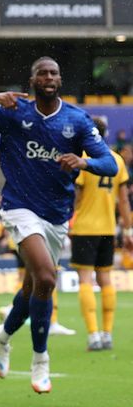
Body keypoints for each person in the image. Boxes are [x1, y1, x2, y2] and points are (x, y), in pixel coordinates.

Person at [0, 56, 118, 393]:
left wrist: (83, 162)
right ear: (32, 80)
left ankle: (2, 336)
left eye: (54, 73)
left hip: (56, 214)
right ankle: (41, 359)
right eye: (42, 73)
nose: (48, 77)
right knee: (46, 277)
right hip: (19, 207)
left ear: (60, 80)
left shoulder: (77, 120)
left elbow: (109, 164)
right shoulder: (14, 112)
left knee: (33, 289)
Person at [70, 118, 132, 350]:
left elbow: (77, 197)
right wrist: (128, 229)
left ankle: (93, 335)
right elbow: (123, 200)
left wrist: (68, 219)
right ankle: (107, 334)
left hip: (85, 227)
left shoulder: (84, 160)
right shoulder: (117, 160)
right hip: (108, 228)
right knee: (105, 279)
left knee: (85, 279)